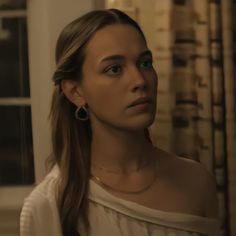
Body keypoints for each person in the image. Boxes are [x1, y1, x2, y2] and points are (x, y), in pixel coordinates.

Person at [20, 8, 220, 236]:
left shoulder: (196, 181)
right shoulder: (49, 205)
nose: (139, 80)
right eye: (114, 69)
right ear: (75, 91)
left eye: (145, 63)